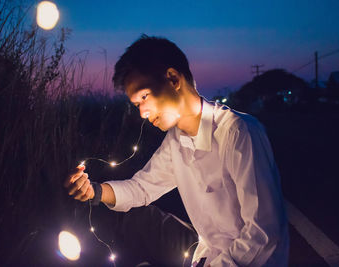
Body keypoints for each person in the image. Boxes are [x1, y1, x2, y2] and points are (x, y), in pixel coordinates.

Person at [65, 35, 289, 266]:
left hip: (246, 262)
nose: (142, 112)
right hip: (206, 253)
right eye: (136, 104)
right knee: (140, 220)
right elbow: (142, 188)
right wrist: (94, 191)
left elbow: (264, 234)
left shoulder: (238, 132)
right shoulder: (176, 141)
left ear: (173, 79)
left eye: (144, 96)